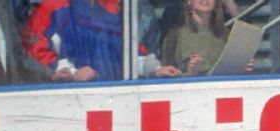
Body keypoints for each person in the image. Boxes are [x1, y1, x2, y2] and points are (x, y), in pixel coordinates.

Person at [24, 0, 180, 81]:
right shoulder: (53, 6)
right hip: (68, 98)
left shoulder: (115, 6)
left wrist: (153, 68)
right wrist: (72, 73)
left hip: (114, 93)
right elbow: (33, 54)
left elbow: (130, 51)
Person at [160, 0, 230, 76]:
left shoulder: (225, 34)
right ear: (189, 1)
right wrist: (190, 72)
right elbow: (168, 73)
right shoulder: (174, 35)